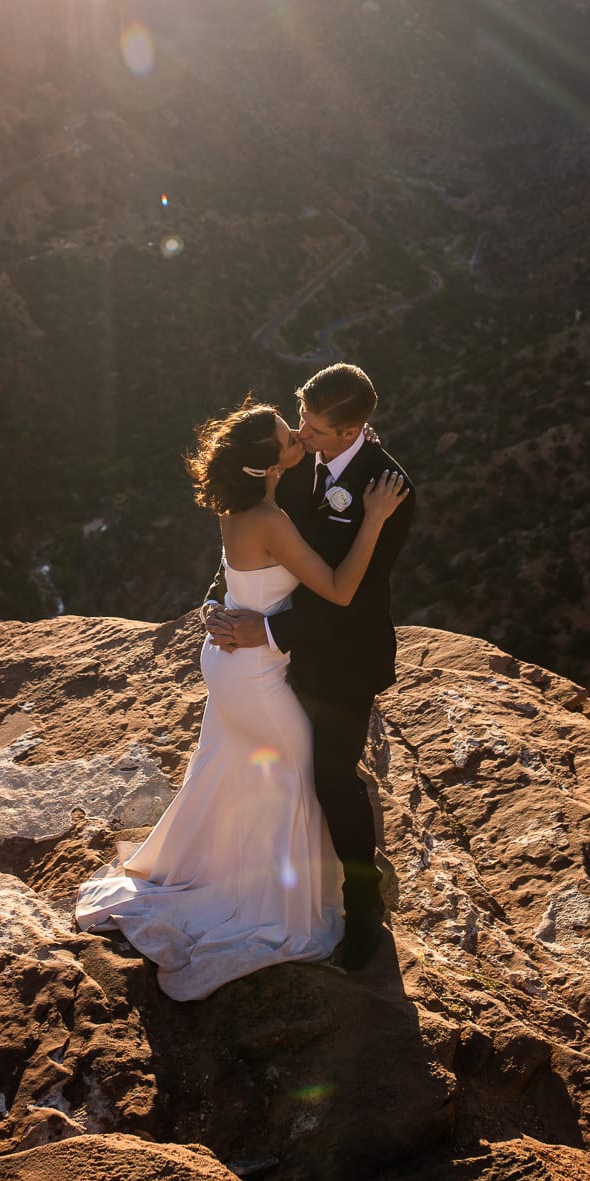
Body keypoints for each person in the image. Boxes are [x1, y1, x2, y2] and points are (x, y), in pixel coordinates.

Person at [75, 400, 408, 1001]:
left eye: (303, 428)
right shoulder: (270, 516)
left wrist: (215, 606)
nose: (299, 438)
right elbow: (338, 588)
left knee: (231, 765)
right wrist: (374, 519)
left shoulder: (241, 506)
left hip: (233, 663)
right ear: (267, 466)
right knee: (297, 775)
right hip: (254, 670)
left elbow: (236, 574)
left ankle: (227, 872)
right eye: (290, 436)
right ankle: (278, 904)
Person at [204, 363, 415, 973]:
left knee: (330, 777)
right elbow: (249, 525)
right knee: (280, 769)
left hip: (341, 660)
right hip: (272, 663)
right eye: (301, 420)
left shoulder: (388, 489)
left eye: (317, 428)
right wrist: (221, 598)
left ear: (354, 430)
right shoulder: (296, 462)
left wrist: (267, 629)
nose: (302, 435)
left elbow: (355, 600)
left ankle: (362, 902)